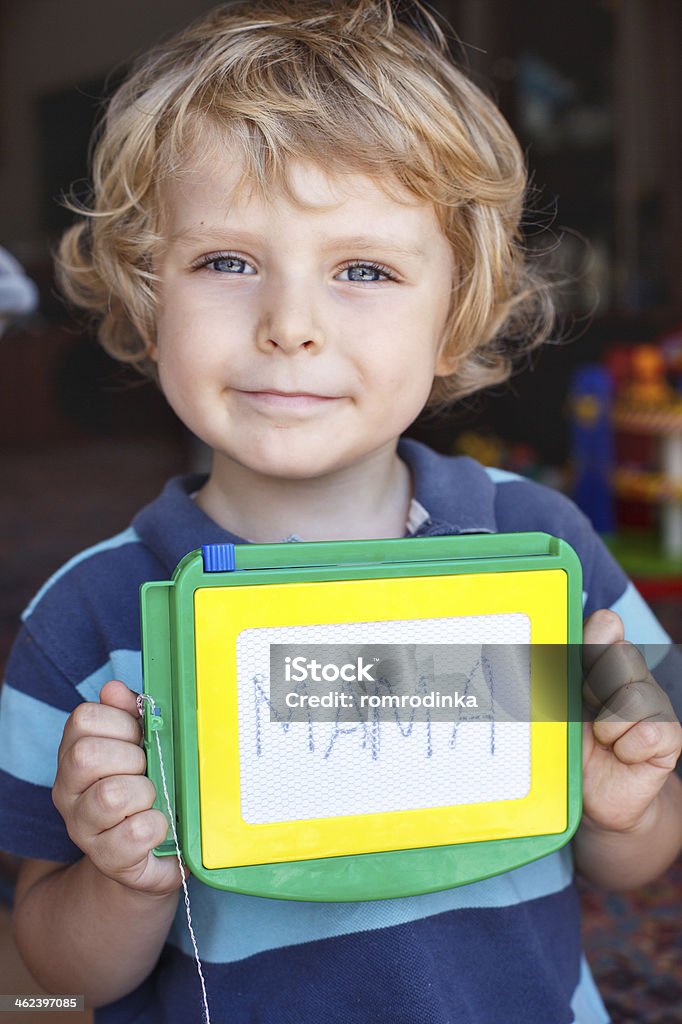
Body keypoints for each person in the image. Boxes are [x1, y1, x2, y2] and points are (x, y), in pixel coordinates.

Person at [1, 2, 681, 1021]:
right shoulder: (87, 618)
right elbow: (33, 989)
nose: (289, 327)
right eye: (226, 261)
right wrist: (119, 877)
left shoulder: (546, 551)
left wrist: (625, 804)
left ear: (456, 316)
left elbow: (636, 854)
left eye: (362, 270)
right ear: (149, 298)